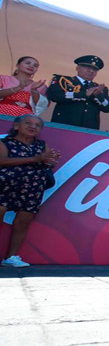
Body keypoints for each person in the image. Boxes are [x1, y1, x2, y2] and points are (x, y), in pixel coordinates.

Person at [0, 115, 60, 268]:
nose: (32, 126)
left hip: (33, 187)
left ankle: (11, 257)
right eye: (27, 123)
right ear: (16, 126)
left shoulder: (42, 145)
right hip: (5, 184)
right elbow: (2, 161)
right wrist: (36, 158)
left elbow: (48, 163)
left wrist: (50, 161)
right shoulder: (5, 142)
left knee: (23, 222)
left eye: (37, 125)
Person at [46, 55, 109, 129]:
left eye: (95, 69)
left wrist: (98, 97)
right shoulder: (63, 81)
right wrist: (84, 94)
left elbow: (108, 108)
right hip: (63, 126)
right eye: (87, 67)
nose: (91, 71)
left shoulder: (101, 88)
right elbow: (54, 96)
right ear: (77, 67)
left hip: (88, 130)